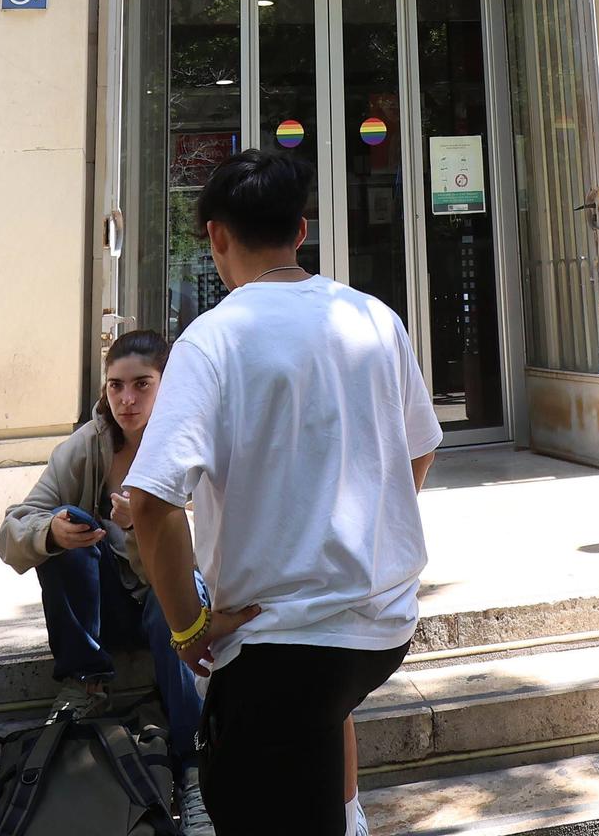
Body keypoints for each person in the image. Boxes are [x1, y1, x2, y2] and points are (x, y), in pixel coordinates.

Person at [126, 150, 441, 836]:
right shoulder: (374, 318)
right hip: (383, 629)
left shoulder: (214, 339)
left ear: (215, 236)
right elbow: (421, 447)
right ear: (301, 231)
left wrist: (187, 627)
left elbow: (151, 503)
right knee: (313, 767)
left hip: (277, 646)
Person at [0, 331, 202, 776]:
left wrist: (147, 524)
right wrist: (50, 533)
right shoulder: (86, 445)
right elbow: (12, 530)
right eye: (116, 385)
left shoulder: (193, 443)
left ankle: (194, 766)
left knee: (171, 606)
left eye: (142, 384)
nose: (126, 399)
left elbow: (199, 564)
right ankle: (86, 681)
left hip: (172, 608)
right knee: (64, 521)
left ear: (167, 384)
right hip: (105, 611)